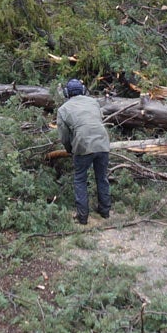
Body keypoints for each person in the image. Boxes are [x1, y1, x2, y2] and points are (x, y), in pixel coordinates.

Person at [55, 78, 112, 225]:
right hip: (103, 142)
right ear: (83, 90)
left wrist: (69, 149)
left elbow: (64, 135)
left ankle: (82, 217)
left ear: (66, 93)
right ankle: (105, 212)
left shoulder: (63, 109)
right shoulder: (93, 102)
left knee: (80, 179)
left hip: (83, 145)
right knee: (102, 177)